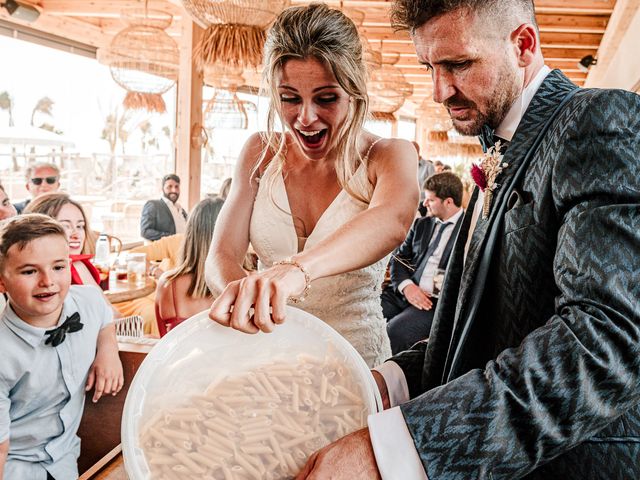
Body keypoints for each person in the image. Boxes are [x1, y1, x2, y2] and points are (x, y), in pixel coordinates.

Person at [296, 0, 640, 479]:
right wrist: (385, 383)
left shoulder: (599, 120)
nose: (440, 90)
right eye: (430, 67)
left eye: (459, 64)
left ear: (523, 45)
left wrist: (401, 448)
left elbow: (606, 341)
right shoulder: (500, 148)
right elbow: (480, 337)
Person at [206, 3, 418, 367]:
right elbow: (221, 257)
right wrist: (246, 296)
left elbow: (392, 220)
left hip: (354, 360)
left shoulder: (389, 156)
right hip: (265, 356)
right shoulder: (260, 152)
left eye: (326, 98)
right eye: (289, 98)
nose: (305, 118)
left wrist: (295, 272)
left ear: (354, 91)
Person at [0, 214, 123, 479]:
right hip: (15, 465)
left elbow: (104, 315)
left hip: (65, 457)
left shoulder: (88, 300)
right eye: (29, 271)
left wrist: (108, 349)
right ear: (2, 281)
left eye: (58, 267)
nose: (48, 281)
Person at [24, 193, 158, 335]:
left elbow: (108, 315)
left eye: (80, 226)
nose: (76, 234)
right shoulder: (75, 265)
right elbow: (111, 316)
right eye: (65, 226)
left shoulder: (77, 263)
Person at [381, 172, 463, 354]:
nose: (424, 204)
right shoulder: (422, 224)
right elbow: (399, 258)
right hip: (402, 292)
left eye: (430, 200)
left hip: (432, 303)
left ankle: (380, 378)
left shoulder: (468, 231)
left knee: (394, 332)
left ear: (448, 202)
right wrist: (407, 286)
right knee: (366, 316)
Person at [155, 197, 224, 336]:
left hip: (180, 358)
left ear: (190, 234)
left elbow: (164, 342)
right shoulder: (249, 283)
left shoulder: (168, 283)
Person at [140, 174, 189, 241]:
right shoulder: (154, 205)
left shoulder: (181, 209)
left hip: (185, 248)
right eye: (169, 186)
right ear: (162, 188)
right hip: (168, 248)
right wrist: (173, 238)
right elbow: (145, 231)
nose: (174, 190)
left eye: (177, 186)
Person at [413, 141, 434, 216]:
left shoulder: (429, 166)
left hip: (423, 204)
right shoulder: (407, 166)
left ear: (417, 151)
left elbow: (433, 188)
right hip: (409, 203)